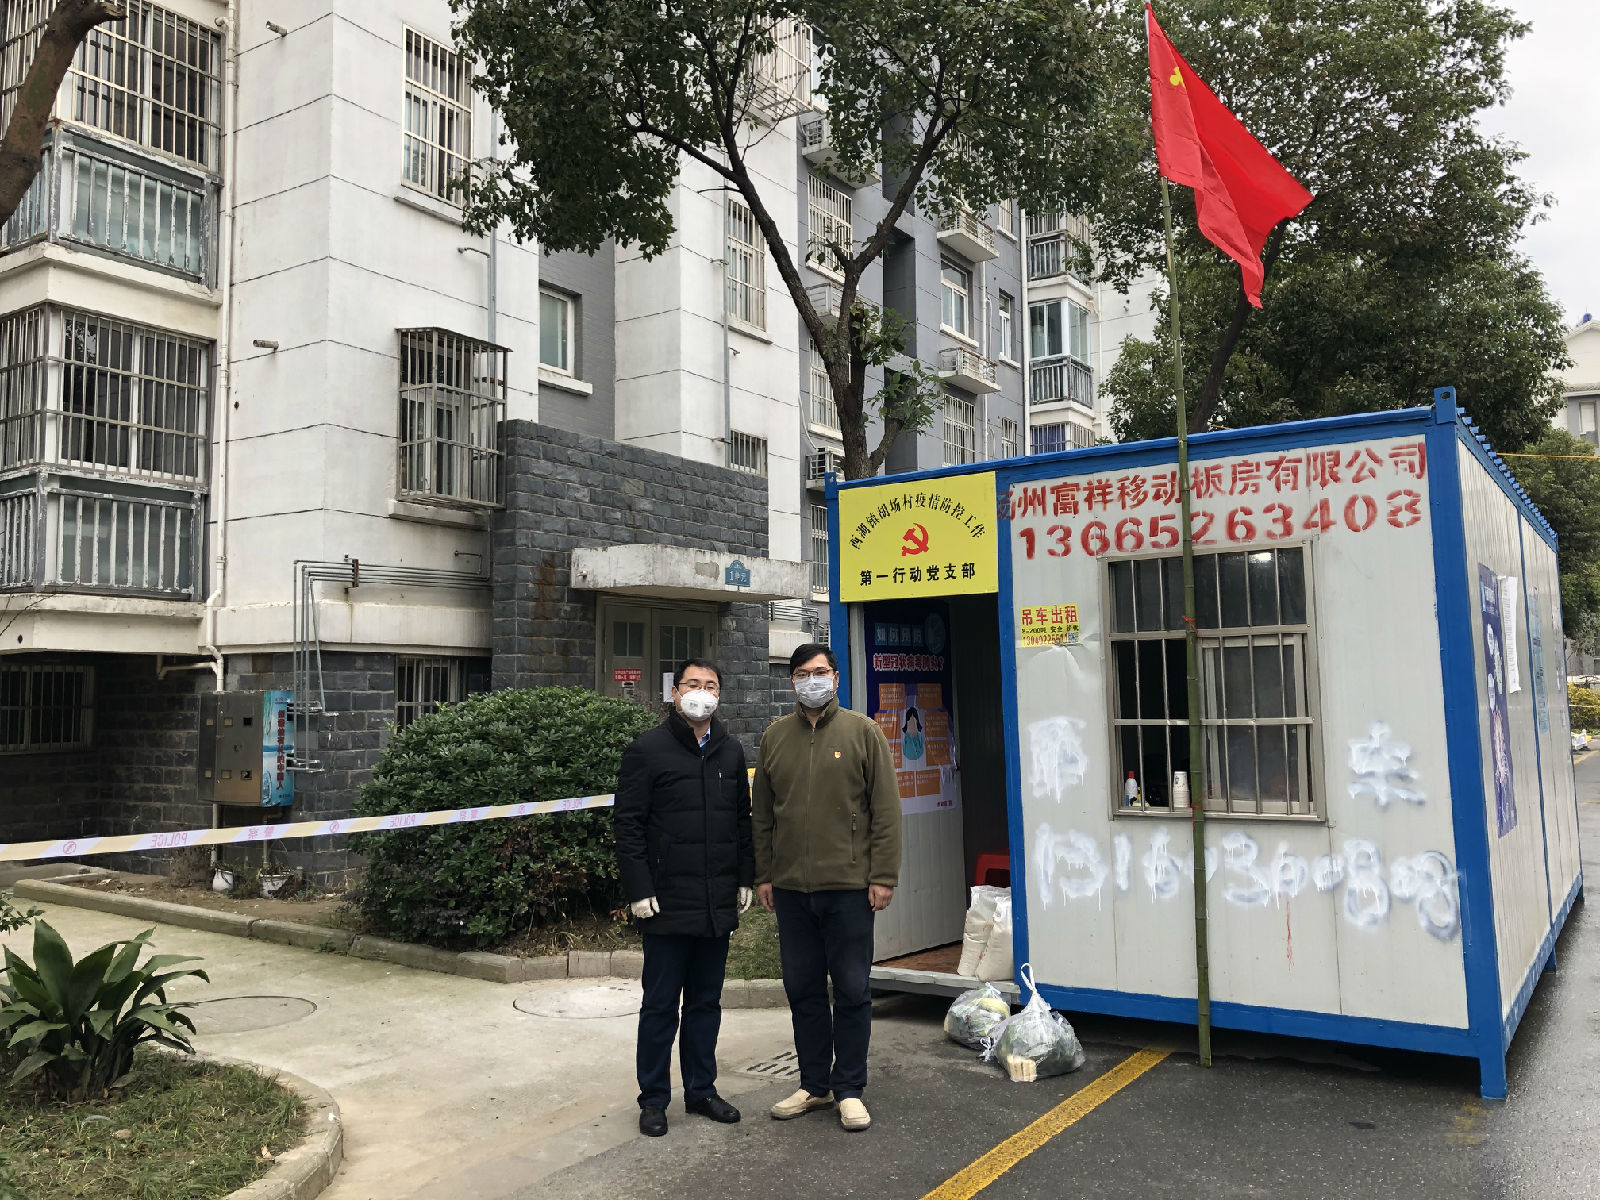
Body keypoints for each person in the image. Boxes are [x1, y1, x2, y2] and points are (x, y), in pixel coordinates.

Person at [752, 643, 901, 1133]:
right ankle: (814, 1084)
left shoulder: (863, 732)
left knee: (853, 989)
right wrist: (764, 874)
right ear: (792, 681)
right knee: (803, 988)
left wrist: (883, 876)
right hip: (792, 890)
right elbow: (762, 815)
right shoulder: (775, 736)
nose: (811, 680)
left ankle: (850, 1088)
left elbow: (885, 811)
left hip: (850, 888)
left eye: (819, 672)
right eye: (801, 673)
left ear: (835, 678)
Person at [614, 658, 754, 1139]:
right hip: (666, 903)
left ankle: (701, 1091)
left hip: (715, 902)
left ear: (719, 695)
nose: (701, 692)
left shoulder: (730, 751)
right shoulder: (647, 750)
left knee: (705, 1004)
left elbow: (741, 823)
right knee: (659, 1007)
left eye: (710, 685)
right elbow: (628, 825)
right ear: (674, 693)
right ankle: (654, 1099)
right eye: (692, 684)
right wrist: (639, 889)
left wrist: (745, 878)